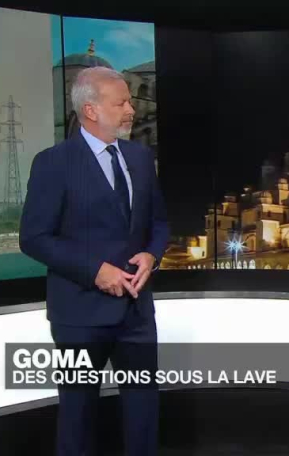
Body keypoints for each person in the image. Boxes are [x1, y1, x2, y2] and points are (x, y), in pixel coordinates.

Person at [20, 67, 169, 456]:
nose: (131, 110)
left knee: (143, 415)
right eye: (121, 103)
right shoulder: (54, 163)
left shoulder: (140, 158)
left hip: (136, 313)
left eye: (130, 102)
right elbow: (33, 238)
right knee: (78, 417)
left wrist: (151, 254)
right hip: (79, 315)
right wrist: (95, 271)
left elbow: (158, 223)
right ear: (90, 109)